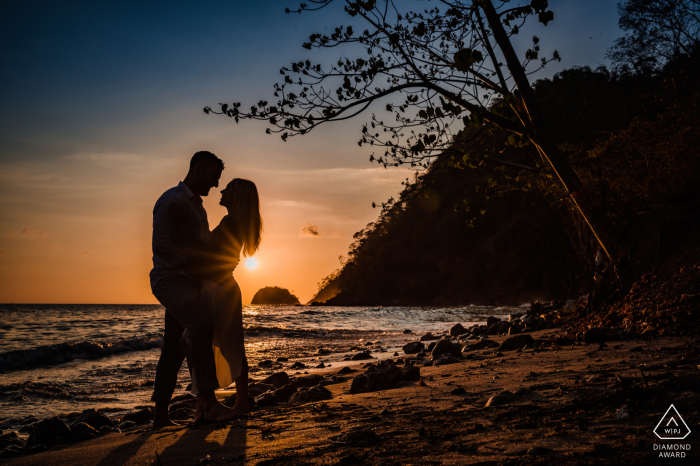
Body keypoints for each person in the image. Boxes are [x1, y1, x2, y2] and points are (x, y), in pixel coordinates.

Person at [149, 151, 241, 428]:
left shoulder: (196, 207)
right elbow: (161, 245)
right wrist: (191, 260)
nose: (215, 184)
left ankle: (160, 415)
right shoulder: (172, 200)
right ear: (198, 169)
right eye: (214, 177)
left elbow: (202, 245)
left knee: (175, 349)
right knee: (201, 325)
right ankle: (209, 402)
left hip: (188, 282)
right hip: (171, 280)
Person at [179, 178, 263, 421]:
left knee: (197, 342)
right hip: (221, 287)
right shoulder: (237, 222)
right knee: (228, 344)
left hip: (217, 287)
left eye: (228, 188)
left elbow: (208, 256)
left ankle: (209, 402)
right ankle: (231, 400)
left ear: (236, 196)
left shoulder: (230, 221)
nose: (222, 190)